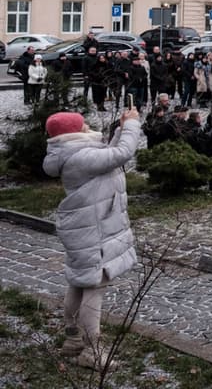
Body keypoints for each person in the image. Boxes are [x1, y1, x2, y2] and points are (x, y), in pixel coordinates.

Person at [43, 108, 141, 369]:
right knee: (95, 286)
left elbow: (108, 157)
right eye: (83, 124)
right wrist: (132, 125)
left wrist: (120, 128)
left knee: (79, 281)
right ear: (75, 131)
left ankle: (72, 338)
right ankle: (92, 350)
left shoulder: (73, 153)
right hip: (94, 230)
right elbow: (121, 153)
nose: (87, 125)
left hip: (86, 227)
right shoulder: (80, 156)